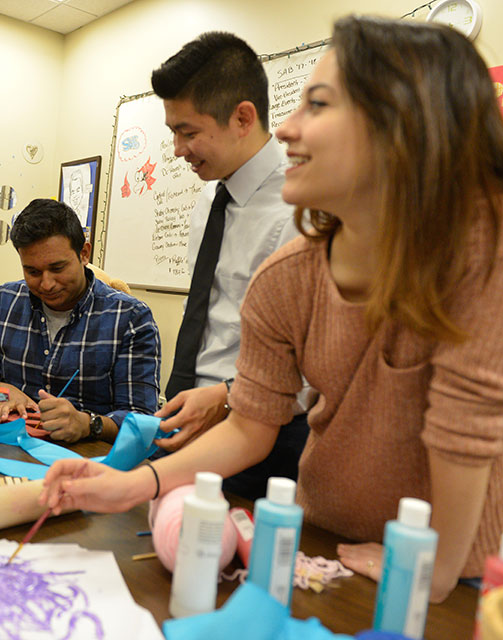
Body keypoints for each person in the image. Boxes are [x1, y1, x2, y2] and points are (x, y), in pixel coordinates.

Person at [41, 15, 503, 604]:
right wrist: (126, 484)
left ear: (401, 120)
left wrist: (433, 565)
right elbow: (249, 422)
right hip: (321, 542)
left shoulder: (500, 240)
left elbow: (464, 426)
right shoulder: (287, 276)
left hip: (456, 566)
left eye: (317, 104)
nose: (286, 129)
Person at [149, 31, 311, 499]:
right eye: (173, 133)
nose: (178, 150)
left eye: (189, 132)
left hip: (264, 435)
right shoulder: (208, 197)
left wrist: (222, 397)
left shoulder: (299, 210)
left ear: (243, 117)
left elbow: (310, 363)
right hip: (190, 420)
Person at [0, 198, 161, 443]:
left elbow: (143, 422)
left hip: (90, 460)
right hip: (10, 446)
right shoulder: (4, 301)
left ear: (84, 253)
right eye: (32, 272)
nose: (46, 284)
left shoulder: (130, 318)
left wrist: (88, 423)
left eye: (58, 268)